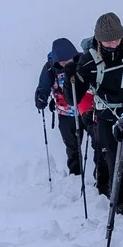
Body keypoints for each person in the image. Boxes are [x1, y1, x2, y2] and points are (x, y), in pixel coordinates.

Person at [72, 12, 123, 214]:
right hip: (107, 117)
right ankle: (120, 199)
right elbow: (74, 98)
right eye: (107, 41)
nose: (113, 44)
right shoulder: (89, 61)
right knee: (115, 159)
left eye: (116, 39)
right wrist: (75, 77)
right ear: (99, 39)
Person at [34, 38, 89, 175]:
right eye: (63, 62)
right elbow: (43, 87)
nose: (66, 64)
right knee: (72, 147)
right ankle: (76, 176)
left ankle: (102, 180)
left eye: (69, 60)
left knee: (98, 144)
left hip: (87, 109)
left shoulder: (82, 61)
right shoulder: (50, 68)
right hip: (65, 113)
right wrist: (41, 98)